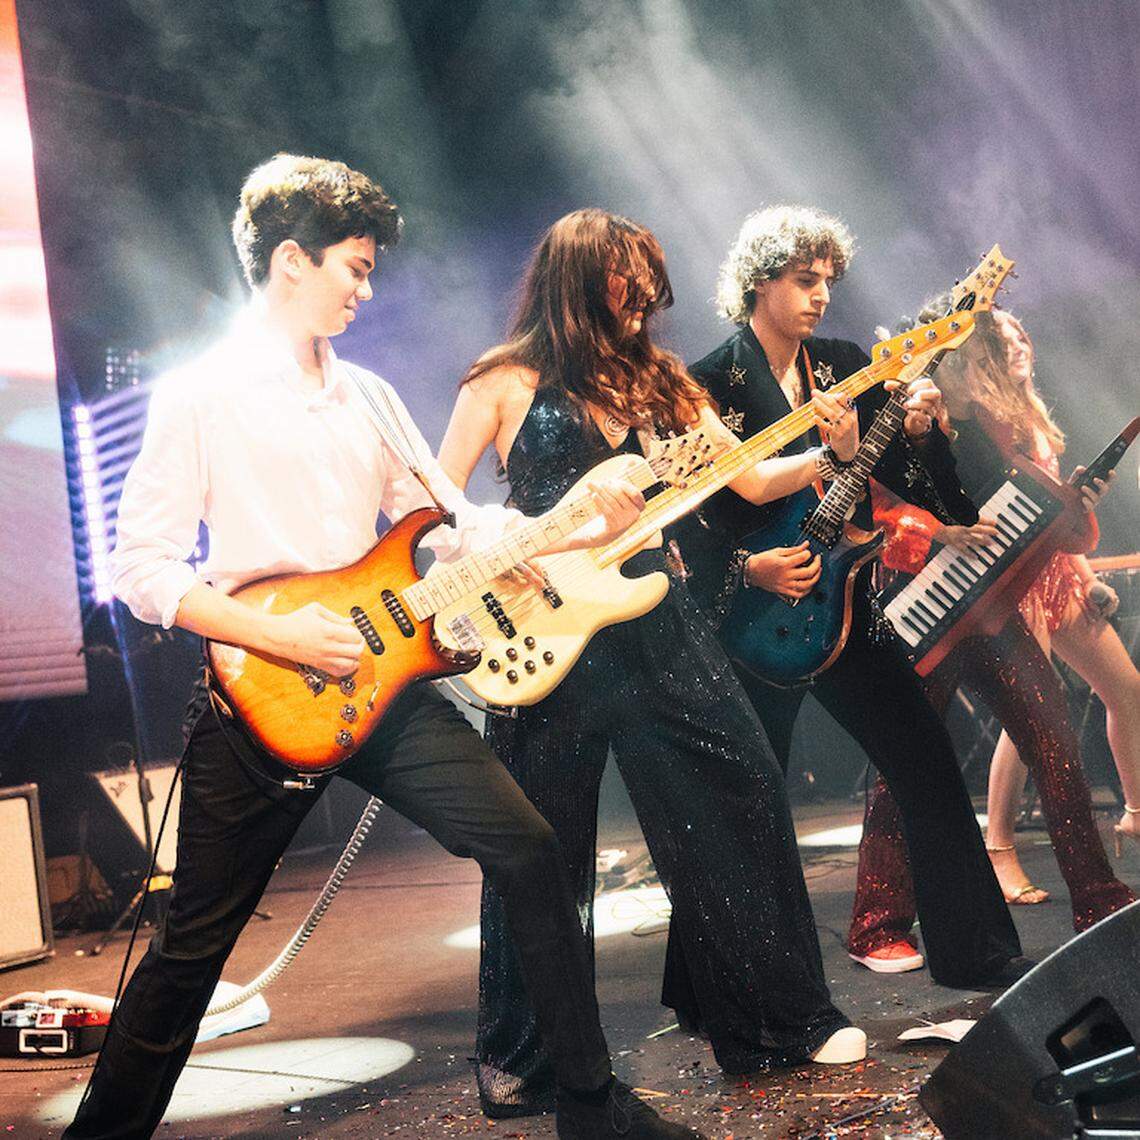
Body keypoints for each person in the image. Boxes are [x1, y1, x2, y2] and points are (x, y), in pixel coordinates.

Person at [65, 156, 703, 1140]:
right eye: (354, 269)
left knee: (530, 851)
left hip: (384, 675)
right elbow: (140, 567)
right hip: (263, 695)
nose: (366, 291)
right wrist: (279, 632)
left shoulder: (367, 395)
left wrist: (567, 526)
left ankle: (590, 1105)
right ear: (291, 260)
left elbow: (449, 524)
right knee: (191, 951)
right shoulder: (201, 396)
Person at [437, 207, 866, 1120]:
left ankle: (775, 1024)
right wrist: (513, 546)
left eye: (648, 285)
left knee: (744, 787)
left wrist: (829, 452)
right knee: (539, 848)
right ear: (579, 280)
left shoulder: (661, 381)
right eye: (625, 282)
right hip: (547, 637)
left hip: (656, 623)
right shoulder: (502, 380)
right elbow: (437, 509)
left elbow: (750, 477)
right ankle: (525, 1059)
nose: (642, 301)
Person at [667, 205, 1026, 985]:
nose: (822, 295)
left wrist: (925, 435)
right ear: (759, 282)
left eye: (829, 279)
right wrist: (747, 568)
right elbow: (684, 514)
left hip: (846, 598)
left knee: (927, 757)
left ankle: (978, 955)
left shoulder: (843, 364)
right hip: (751, 616)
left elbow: (919, 485)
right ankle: (718, 989)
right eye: (806, 279)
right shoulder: (706, 382)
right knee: (743, 800)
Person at [848, 307, 1136, 954]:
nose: (986, 370)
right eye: (976, 359)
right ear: (943, 360)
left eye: (986, 359)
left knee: (1054, 736)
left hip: (988, 612)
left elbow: (1038, 533)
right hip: (918, 611)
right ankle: (876, 925)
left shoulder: (989, 429)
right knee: (905, 765)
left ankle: (1099, 898)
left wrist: (1074, 505)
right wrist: (939, 530)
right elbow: (873, 512)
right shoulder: (896, 420)